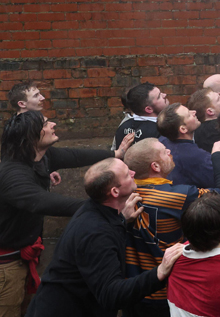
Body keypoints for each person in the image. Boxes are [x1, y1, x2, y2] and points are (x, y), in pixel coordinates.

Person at [0, 112, 131, 317]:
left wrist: (116, 154)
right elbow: (42, 202)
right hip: (6, 266)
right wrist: (106, 208)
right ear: (32, 136)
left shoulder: (41, 157)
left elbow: (75, 156)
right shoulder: (12, 174)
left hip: (25, 255)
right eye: (45, 123)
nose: (53, 124)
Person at [25, 158, 183, 317]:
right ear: (115, 191)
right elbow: (111, 295)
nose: (134, 173)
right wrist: (160, 272)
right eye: (128, 174)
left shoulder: (96, 211)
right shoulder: (96, 232)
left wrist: (123, 221)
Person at [121, 137, 220, 317]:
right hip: (164, 289)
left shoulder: (123, 195)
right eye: (165, 152)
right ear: (155, 166)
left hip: (130, 287)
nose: (169, 152)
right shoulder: (178, 196)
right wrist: (217, 156)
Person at [157, 103, 215, 189]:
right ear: (183, 129)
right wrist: (216, 156)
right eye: (189, 115)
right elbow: (218, 183)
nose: (194, 112)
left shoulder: (161, 142)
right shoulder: (197, 156)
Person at [114, 83, 168, 148]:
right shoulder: (162, 130)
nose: (164, 95)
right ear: (148, 109)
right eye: (159, 97)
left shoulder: (123, 126)